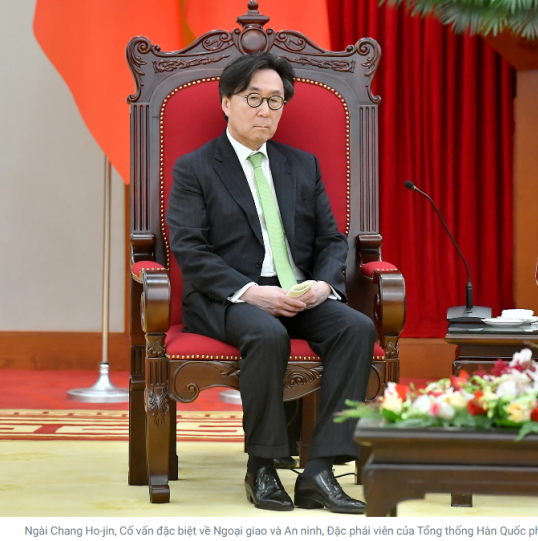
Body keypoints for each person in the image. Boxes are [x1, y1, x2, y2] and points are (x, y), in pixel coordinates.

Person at [166, 52, 375, 514]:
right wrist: (251, 293)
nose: (265, 111)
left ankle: (320, 469)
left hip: (296, 290)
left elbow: (330, 238)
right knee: (265, 330)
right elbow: (190, 249)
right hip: (229, 295)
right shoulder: (195, 168)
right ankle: (261, 464)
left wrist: (322, 284)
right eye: (253, 99)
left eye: (275, 101)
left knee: (355, 327)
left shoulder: (302, 165)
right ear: (226, 102)